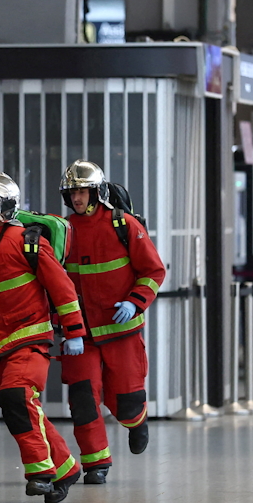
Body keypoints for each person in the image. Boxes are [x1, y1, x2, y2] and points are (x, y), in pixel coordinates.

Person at [0, 172, 85, 503]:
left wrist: (74, 331)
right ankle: (65, 467)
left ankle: (40, 472)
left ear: (4, 205)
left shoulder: (28, 241)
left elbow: (62, 288)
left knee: (17, 397)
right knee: (23, 406)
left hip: (30, 338)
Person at [58, 160, 165, 483]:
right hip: (81, 335)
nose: (77, 198)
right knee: (83, 400)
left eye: (82, 191)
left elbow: (153, 271)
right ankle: (96, 464)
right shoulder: (63, 231)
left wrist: (135, 303)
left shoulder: (124, 224)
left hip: (122, 331)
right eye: (72, 193)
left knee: (126, 401)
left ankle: (136, 421)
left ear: (97, 192)